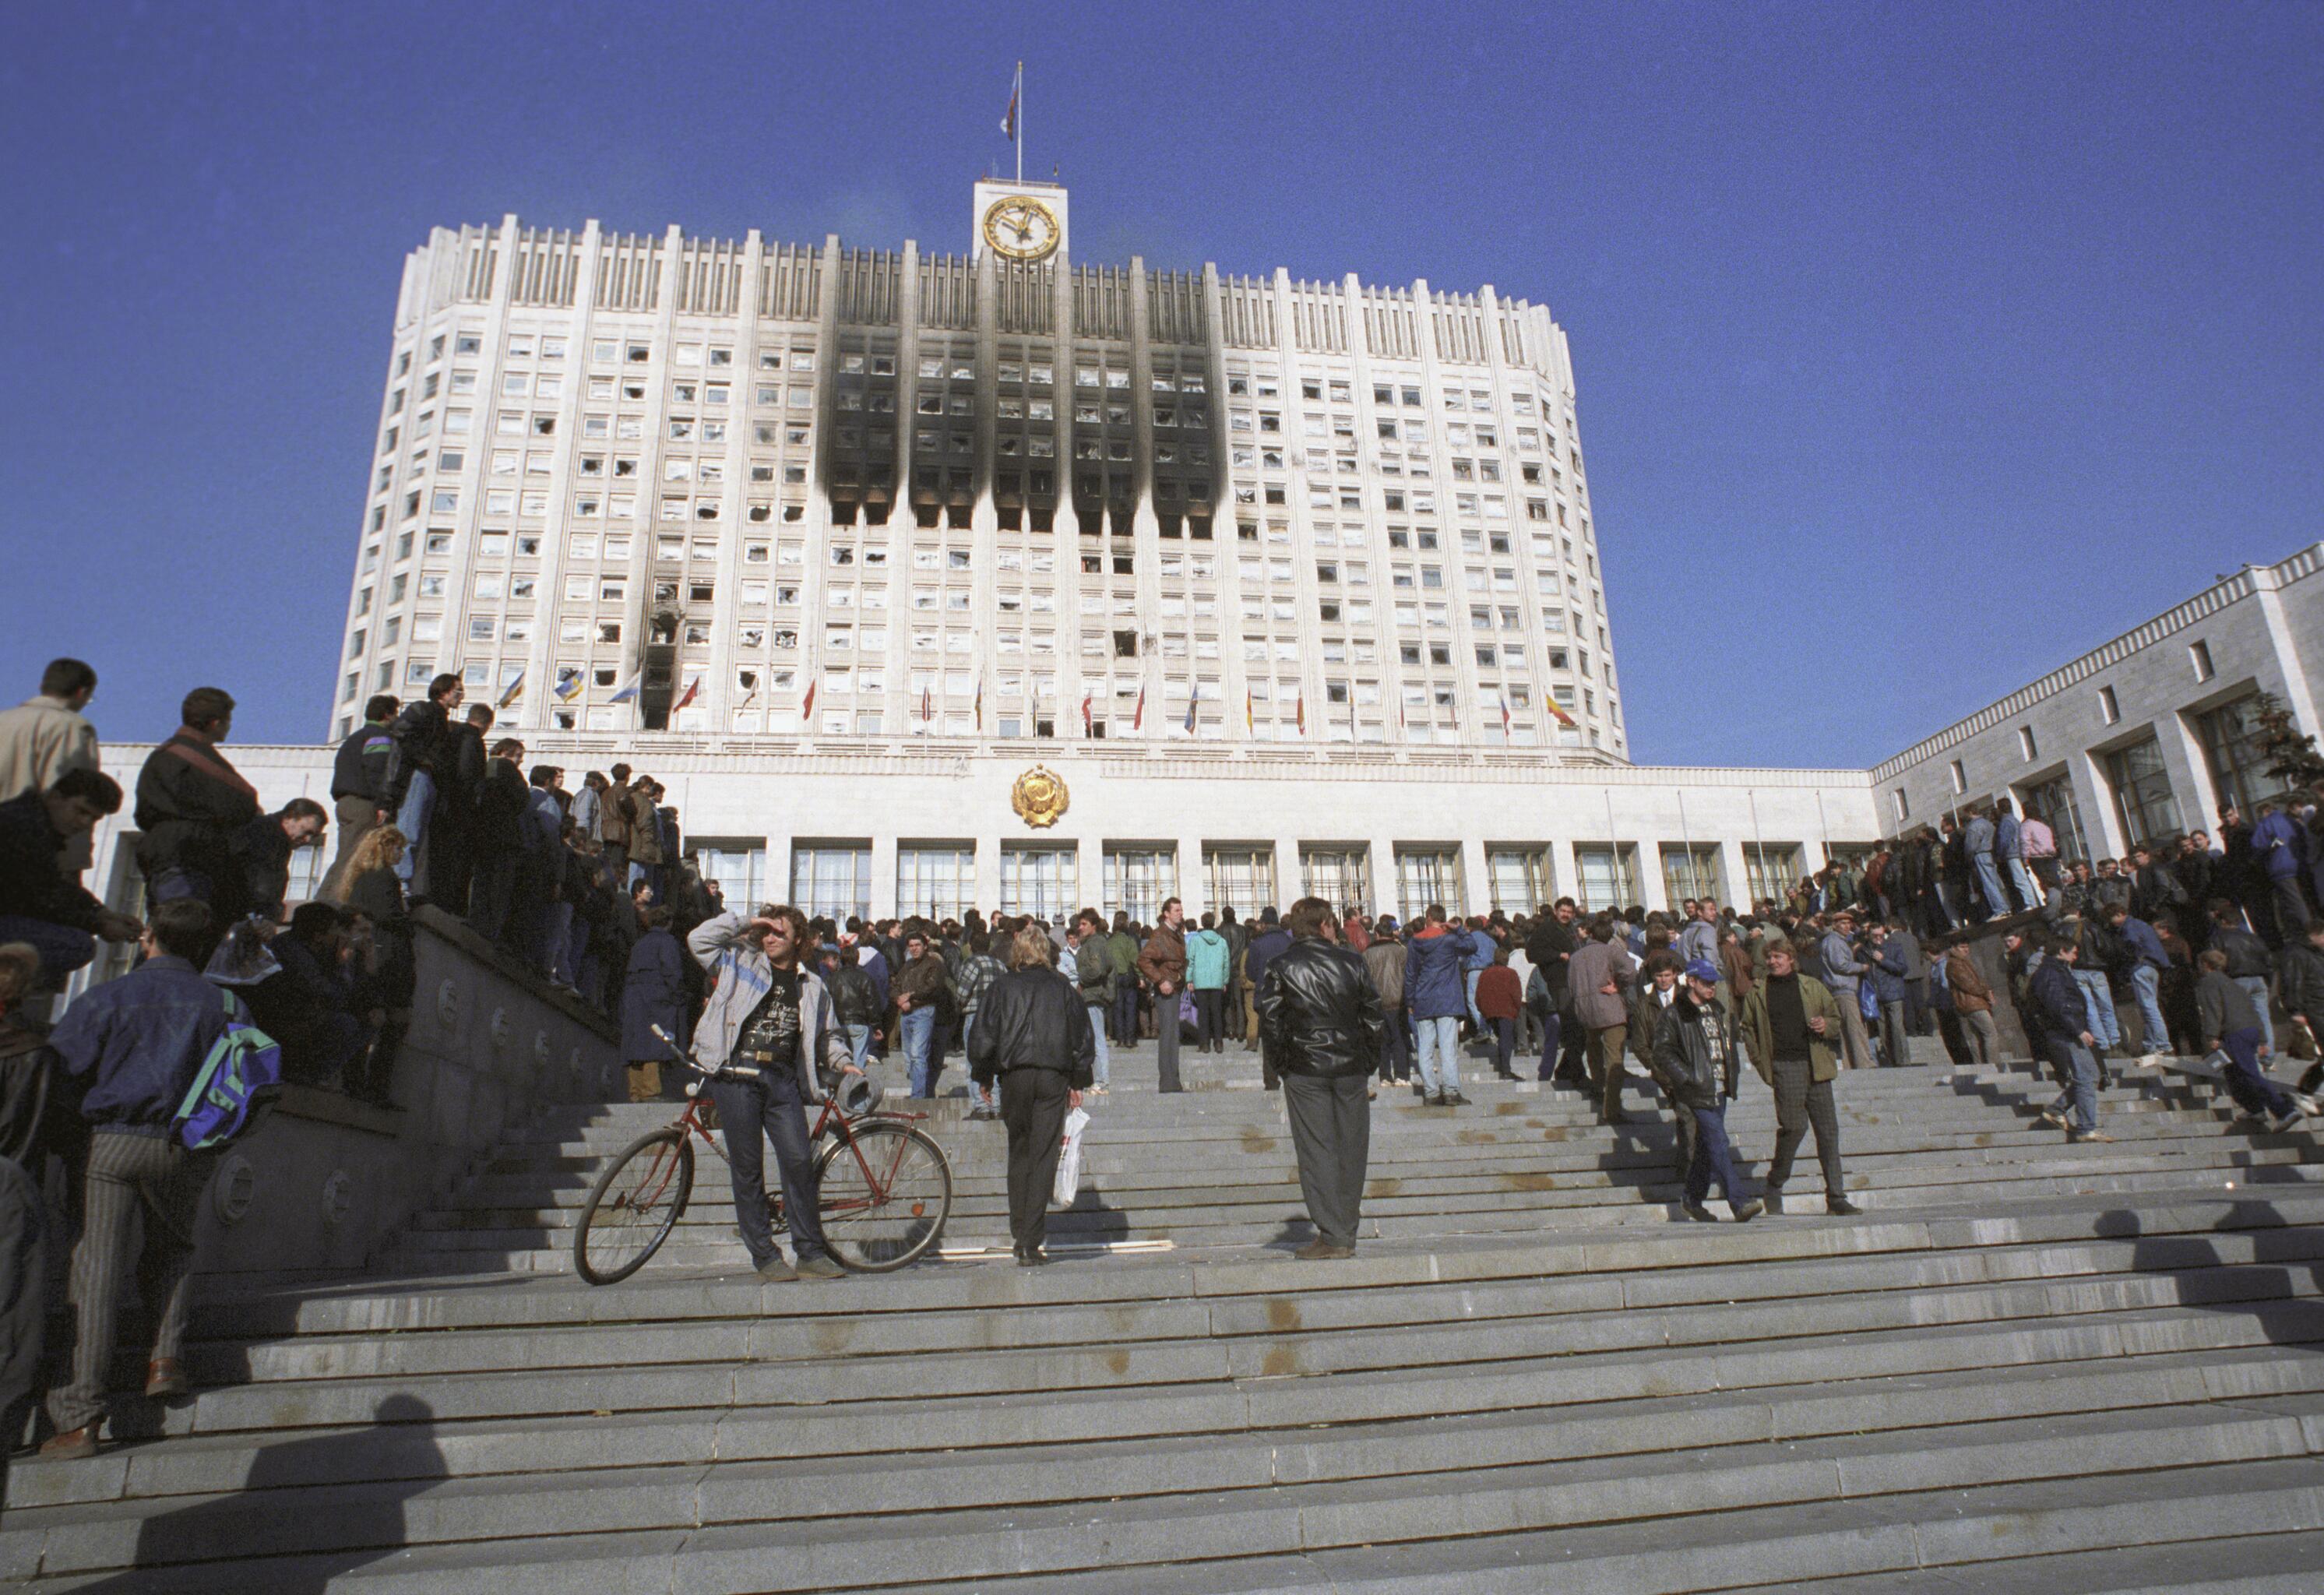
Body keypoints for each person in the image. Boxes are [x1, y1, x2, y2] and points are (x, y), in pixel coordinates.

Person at [38, 900, 237, 1460]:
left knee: (96, 1269)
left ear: (149, 937)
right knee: (173, 1248)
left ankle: (79, 1418)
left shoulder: (105, 996)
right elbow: (254, 1081)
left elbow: (63, 1072)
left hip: (110, 1141)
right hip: (188, 1143)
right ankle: (165, 1358)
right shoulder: (226, 1003)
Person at [687, 904, 858, 1281]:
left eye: (779, 931)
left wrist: (844, 1062)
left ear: (798, 938)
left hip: (781, 1081)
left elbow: (828, 1035)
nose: (770, 937)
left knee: (798, 1161)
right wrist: (748, 921)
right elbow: (697, 940)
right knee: (748, 1169)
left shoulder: (812, 984)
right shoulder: (738, 962)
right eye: (766, 931)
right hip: (736, 1077)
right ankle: (765, 1256)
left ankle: (810, 1252)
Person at [1255, 896, 1387, 1259]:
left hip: (1306, 1066)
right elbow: (1373, 1017)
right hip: (1348, 1066)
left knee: (1317, 1151)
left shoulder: (1281, 965)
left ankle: (1333, 1233)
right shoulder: (1351, 961)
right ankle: (1344, 1230)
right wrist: (1366, 1061)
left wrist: (1284, 1065)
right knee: (1352, 1149)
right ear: (1325, 924)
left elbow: (1271, 1021)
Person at [967, 925, 1096, 1266]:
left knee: (1019, 1152)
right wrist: (1078, 1080)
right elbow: (1083, 1037)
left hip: (1015, 1076)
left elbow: (983, 1035)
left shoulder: (1002, 987)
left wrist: (982, 1074)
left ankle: (1019, 1230)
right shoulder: (1063, 989)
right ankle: (1030, 1241)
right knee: (1042, 1157)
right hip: (1053, 1075)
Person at [1738, 938, 1859, 1216]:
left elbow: (1835, 1019)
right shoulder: (1758, 991)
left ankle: (1837, 1197)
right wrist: (1760, 1063)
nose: (1773, 962)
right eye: (1769, 957)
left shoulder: (1812, 986)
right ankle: (1776, 1181)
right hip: (1784, 1065)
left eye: (1778, 956)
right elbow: (1748, 1030)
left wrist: (1825, 1025)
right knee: (1794, 1127)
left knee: (1828, 1132)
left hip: (1816, 1063)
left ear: (1791, 959)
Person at [0, 768, 143, 984]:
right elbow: (39, 899)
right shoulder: (24, 829)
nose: (85, 823)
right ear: (56, 798)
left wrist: (101, 913)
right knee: (76, 945)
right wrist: (99, 924)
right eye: (81, 811)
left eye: (93, 818)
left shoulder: (31, 822)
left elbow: (51, 886)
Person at [1653, 959, 1765, 1224]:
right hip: (1696, 1089)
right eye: (1705, 982)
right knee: (1718, 1141)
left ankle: (1692, 1198)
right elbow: (1662, 1051)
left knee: (1706, 1146)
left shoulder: (1716, 1008)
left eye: (1713, 983)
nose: (1711, 987)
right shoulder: (1674, 1013)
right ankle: (1739, 1201)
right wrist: (1687, 1077)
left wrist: (1731, 1074)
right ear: (1690, 981)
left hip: (1719, 1086)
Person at [132, 687, 259, 910]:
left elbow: (142, 813)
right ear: (215, 723)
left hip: (158, 852)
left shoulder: (160, 755)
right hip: (191, 855)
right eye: (227, 721)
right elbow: (244, 802)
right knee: (185, 928)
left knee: (165, 928)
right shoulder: (201, 760)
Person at [245, 901, 368, 1090]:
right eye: (334, 929)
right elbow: (330, 995)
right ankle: (304, 1076)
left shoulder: (312, 949)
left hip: (295, 1019)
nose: (340, 934)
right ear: (318, 935)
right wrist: (343, 965)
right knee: (346, 1025)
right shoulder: (293, 952)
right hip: (280, 1025)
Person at [333, 825, 414, 1106]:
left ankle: (359, 1083)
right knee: (388, 1024)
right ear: (385, 847)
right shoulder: (381, 878)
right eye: (397, 848)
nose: (401, 854)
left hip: (377, 956)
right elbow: (388, 917)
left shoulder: (360, 877)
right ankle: (372, 1087)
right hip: (386, 959)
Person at [2194, 949, 2311, 1132]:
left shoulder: (2209, 982)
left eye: (2200, 964)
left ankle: (2285, 1110)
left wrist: (2211, 1036)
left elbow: (2213, 1010)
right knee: (2233, 1075)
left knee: (2249, 1074)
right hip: (2250, 1030)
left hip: (2235, 1033)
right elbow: (2253, 1010)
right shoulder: (2232, 983)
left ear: (2205, 965)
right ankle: (2255, 1109)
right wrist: (2263, 1039)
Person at [379, 674, 463, 901]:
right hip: (418, 776)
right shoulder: (423, 711)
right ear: (443, 692)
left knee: (415, 832)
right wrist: (423, 758)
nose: (461, 696)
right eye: (457, 691)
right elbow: (401, 736)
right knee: (410, 831)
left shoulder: (440, 719)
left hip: (427, 778)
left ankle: (405, 882)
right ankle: (400, 882)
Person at [2030, 935, 2109, 1143]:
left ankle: (2057, 1110)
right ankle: (2085, 1128)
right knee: (2085, 1077)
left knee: (2090, 1074)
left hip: (2067, 1030)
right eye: (2073, 951)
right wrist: (2077, 1030)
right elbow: (2058, 1004)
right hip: (2065, 1032)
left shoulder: (2057, 971)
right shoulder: (2051, 973)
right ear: (2062, 951)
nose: (2076, 956)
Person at [319, 695, 397, 903]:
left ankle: (328, 901)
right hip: (364, 803)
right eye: (395, 713)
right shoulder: (380, 736)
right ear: (388, 714)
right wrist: (382, 804)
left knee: (345, 853)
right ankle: (331, 903)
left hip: (345, 802)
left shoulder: (354, 738)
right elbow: (377, 771)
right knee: (353, 857)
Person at [0, 659, 100, 808]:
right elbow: (73, 797)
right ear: (82, 693)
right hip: (32, 827)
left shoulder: (4, 719)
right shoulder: (73, 727)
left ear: (42, 686)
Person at [1568, 916, 1639, 1124]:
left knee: (1594, 1055)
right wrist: (1619, 985)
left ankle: (1598, 1090)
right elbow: (1631, 971)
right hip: (1609, 1008)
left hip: (1585, 1010)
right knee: (1615, 1060)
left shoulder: (1576, 957)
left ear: (1590, 934)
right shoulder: (1611, 951)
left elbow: (1571, 986)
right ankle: (1612, 1109)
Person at [1403, 906, 1472, 1107]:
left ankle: (1431, 1093)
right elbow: (1471, 945)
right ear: (1442, 919)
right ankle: (1451, 1091)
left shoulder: (1415, 941)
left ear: (1428, 918)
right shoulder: (1450, 940)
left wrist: (1410, 1000)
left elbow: (1410, 974)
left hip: (1423, 999)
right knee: (1448, 1048)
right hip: (1448, 1000)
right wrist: (1457, 928)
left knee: (1425, 1049)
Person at [228, 799, 330, 925]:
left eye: (314, 836)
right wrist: (267, 916)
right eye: (306, 831)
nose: (308, 839)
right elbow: (264, 881)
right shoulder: (269, 836)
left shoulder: (273, 835)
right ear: (288, 818)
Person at [620, 906, 685, 1102]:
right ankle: (651, 1090)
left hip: (634, 996)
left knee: (635, 1043)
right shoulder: (667, 942)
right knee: (654, 1041)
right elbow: (672, 970)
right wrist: (679, 994)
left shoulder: (639, 943)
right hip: (658, 997)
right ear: (669, 923)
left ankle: (635, 1092)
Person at [2103, 903, 2173, 1063]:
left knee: (2149, 1008)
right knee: (2148, 1007)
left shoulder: (2130, 927)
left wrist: (2125, 959)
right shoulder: (2142, 924)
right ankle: (2150, 1045)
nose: (2111, 922)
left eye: (2111, 918)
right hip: (2153, 968)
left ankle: (2163, 1044)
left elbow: (2131, 945)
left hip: (2140, 968)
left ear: (2120, 914)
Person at [949, 930, 1006, 1121]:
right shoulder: (1000, 965)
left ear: (971, 946)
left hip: (975, 1016)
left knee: (974, 1061)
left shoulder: (972, 963)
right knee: (995, 1061)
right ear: (989, 945)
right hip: (998, 1018)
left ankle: (981, 1107)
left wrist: (959, 1006)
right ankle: (997, 1105)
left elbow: (962, 992)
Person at [1139, 897, 1190, 1093]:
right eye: (1176, 910)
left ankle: (1173, 1080)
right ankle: (1168, 1082)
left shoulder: (1176, 934)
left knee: (1173, 1034)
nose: (1180, 913)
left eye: (1181, 909)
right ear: (1166, 914)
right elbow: (1144, 960)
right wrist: (1160, 980)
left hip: (1176, 988)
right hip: (1167, 991)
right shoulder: (1160, 935)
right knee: (1168, 1035)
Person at [892, 929, 949, 1098]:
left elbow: (932, 987)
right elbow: (895, 987)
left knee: (918, 1054)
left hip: (924, 1011)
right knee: (909, 1056)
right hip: (906, 1013)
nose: (914, 949)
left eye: (918, 945)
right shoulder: (907, 966)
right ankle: (920, 1090)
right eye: (911, 946)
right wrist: (899, 1000)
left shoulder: (934, 964)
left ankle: (918, 1095)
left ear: (925, 946)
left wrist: (910, 996)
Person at [1816, 910, 1876, 1071]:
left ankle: (1851, 1064)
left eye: (1848, 923)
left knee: (1847, 1029)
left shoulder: (1835, 940)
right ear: (1835, 925)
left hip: (1839, 989)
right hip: (1843, 989)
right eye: (1842, 923)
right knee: (1855, 1028)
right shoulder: (1834, 941)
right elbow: (1840, 964)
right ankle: (1864, 1063)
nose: (1846, 926)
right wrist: (1862, 967)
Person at [1362, 917, 1412, 1086]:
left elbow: (1365, 979)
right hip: (1399, 1000)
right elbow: (1409, 975)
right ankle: (1402, 1075)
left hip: (1377, 1001)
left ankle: (1384, 1076)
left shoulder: (1368, 953)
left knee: (1382, 1041)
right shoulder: (1401, 950)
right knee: (1399, 1038)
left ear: (1376, 934)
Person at [1068, 910, 1114, 1096]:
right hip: (1092, 995)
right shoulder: (1092, 943)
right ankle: (1099, 1080)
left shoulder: (1094, 944)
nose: (1080, 928)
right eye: (1079, 924)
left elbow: (1096, 970)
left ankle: (1102, 1081)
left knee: (1097, 1039)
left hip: (1093, 995)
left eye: (1084, 924)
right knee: (1094, 1038)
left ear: (1093, 925)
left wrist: (1081, 981)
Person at [1941, 936, 2002, 1068]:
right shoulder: (1954, 963)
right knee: (1990, 1033)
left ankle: (1980, 1065)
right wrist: (1985, 992)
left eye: (1967, 947)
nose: (1966, 950)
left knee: (1976, 1036)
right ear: (1953, 948)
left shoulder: (1961, 961)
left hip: (1972, 1003)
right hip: (1972, 1004)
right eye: (1962, 947)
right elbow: (1968, 984)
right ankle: (1994, 1065)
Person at [1241, 909, 1291, 1058]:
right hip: (1288, 993)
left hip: (1265, 995)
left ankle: (1271, 1081)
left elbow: (1251, 973)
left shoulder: (1257, 945)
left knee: (1269, 1042)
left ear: (1263, 925)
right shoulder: (1290, 943)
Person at [1185, 913, 1231, 1055]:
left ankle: (1204, 1043)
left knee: (1203, 1013)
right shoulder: (1221, 941)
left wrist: (1189, 979)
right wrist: (1225, 981)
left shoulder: (1196, 941)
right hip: (1217, 981)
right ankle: (1218, 1042)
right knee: (1217, 1013)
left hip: (1200, 980)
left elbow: (1190, 961)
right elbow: (1226, 963)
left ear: (1202, 923)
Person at [1475, 945, 1524, 1079]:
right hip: (1507, 1010)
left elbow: (1479, 995)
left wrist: (1483, 1009)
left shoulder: (1485, 973)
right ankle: (1506, 1069)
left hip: (1490, 1011)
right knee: (1506, 1039)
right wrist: (1516, 1009)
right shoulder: (1511, 974)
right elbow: (1517, 994)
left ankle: (1503, 1064)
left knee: (1502, 1036)